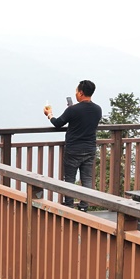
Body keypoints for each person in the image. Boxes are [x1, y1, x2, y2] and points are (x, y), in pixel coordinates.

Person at [43, 80, 103, 211]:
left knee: (69, 178)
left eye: (76, 91)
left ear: (81, 93)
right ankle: (83, 207)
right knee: (87, 179)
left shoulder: (73, 110)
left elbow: (58, 123)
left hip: (74, 149)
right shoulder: (98, 109)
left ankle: (69, 206)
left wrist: (49, 114)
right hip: (90, 148)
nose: (75, 94)